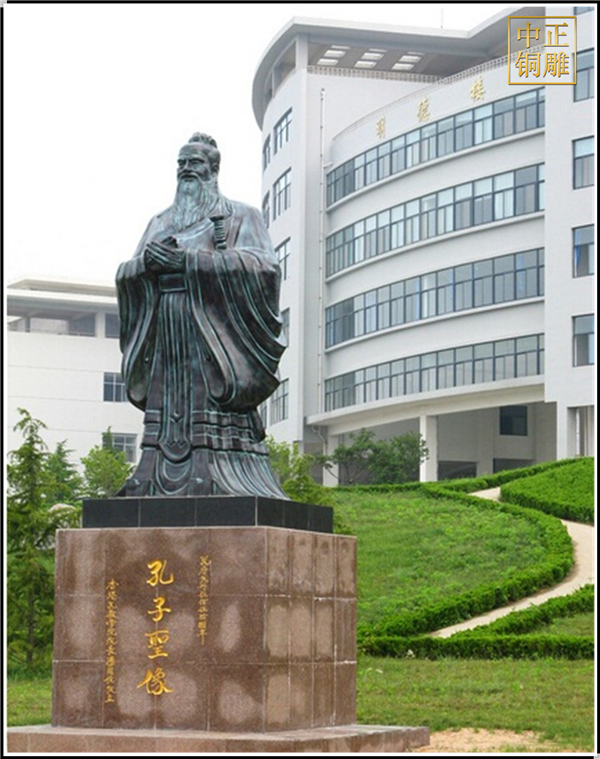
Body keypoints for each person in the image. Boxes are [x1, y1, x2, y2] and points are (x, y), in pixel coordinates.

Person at [115, 132, 287, 497]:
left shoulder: (241, 216)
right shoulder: (159, 222)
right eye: (181, 163)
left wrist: (192, 261)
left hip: (214, 337)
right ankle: (154, 469)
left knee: (212, 406)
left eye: (194, 163)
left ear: (213, 168)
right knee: (166, 408)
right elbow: (128, 271)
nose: (186, 170)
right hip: (166, 330)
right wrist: (146, 265)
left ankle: (222, 465)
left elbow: (265, 268)